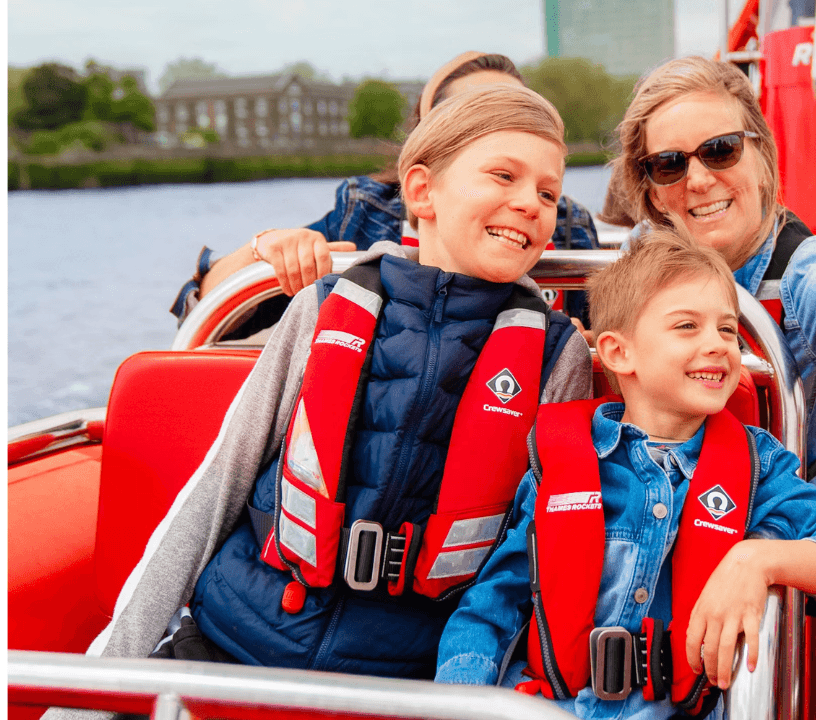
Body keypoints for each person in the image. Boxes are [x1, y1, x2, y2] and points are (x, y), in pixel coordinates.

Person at [45, 85, 591, 714]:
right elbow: (217, 486)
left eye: (549, 193)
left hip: (398, 686)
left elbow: (531, 553)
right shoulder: (326, 305)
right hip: (228, 649)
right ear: (421, 191)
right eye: (504, 175)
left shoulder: (556, 356)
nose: (530, 203)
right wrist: (99, 685)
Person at [434, 230, 816, 719]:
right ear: (618, 353)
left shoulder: (760, 466)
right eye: (686, 327)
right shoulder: (561, 459)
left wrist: (760, 559)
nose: (718, 345)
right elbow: (494, 603)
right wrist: (460, 700)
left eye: (727, 329)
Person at [170, 51, 599, 330]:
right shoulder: (365, 210)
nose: (502, 124)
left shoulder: (565, 222)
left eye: (518, 112)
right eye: (474, 114)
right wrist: (268, 249)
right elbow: (211, 314)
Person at [600, 56, 815, 479]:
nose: (697, 180)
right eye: (669, 164)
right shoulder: (635, 261)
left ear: (762, 158)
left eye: (721, 150)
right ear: (654, 193)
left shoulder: (806, 281)